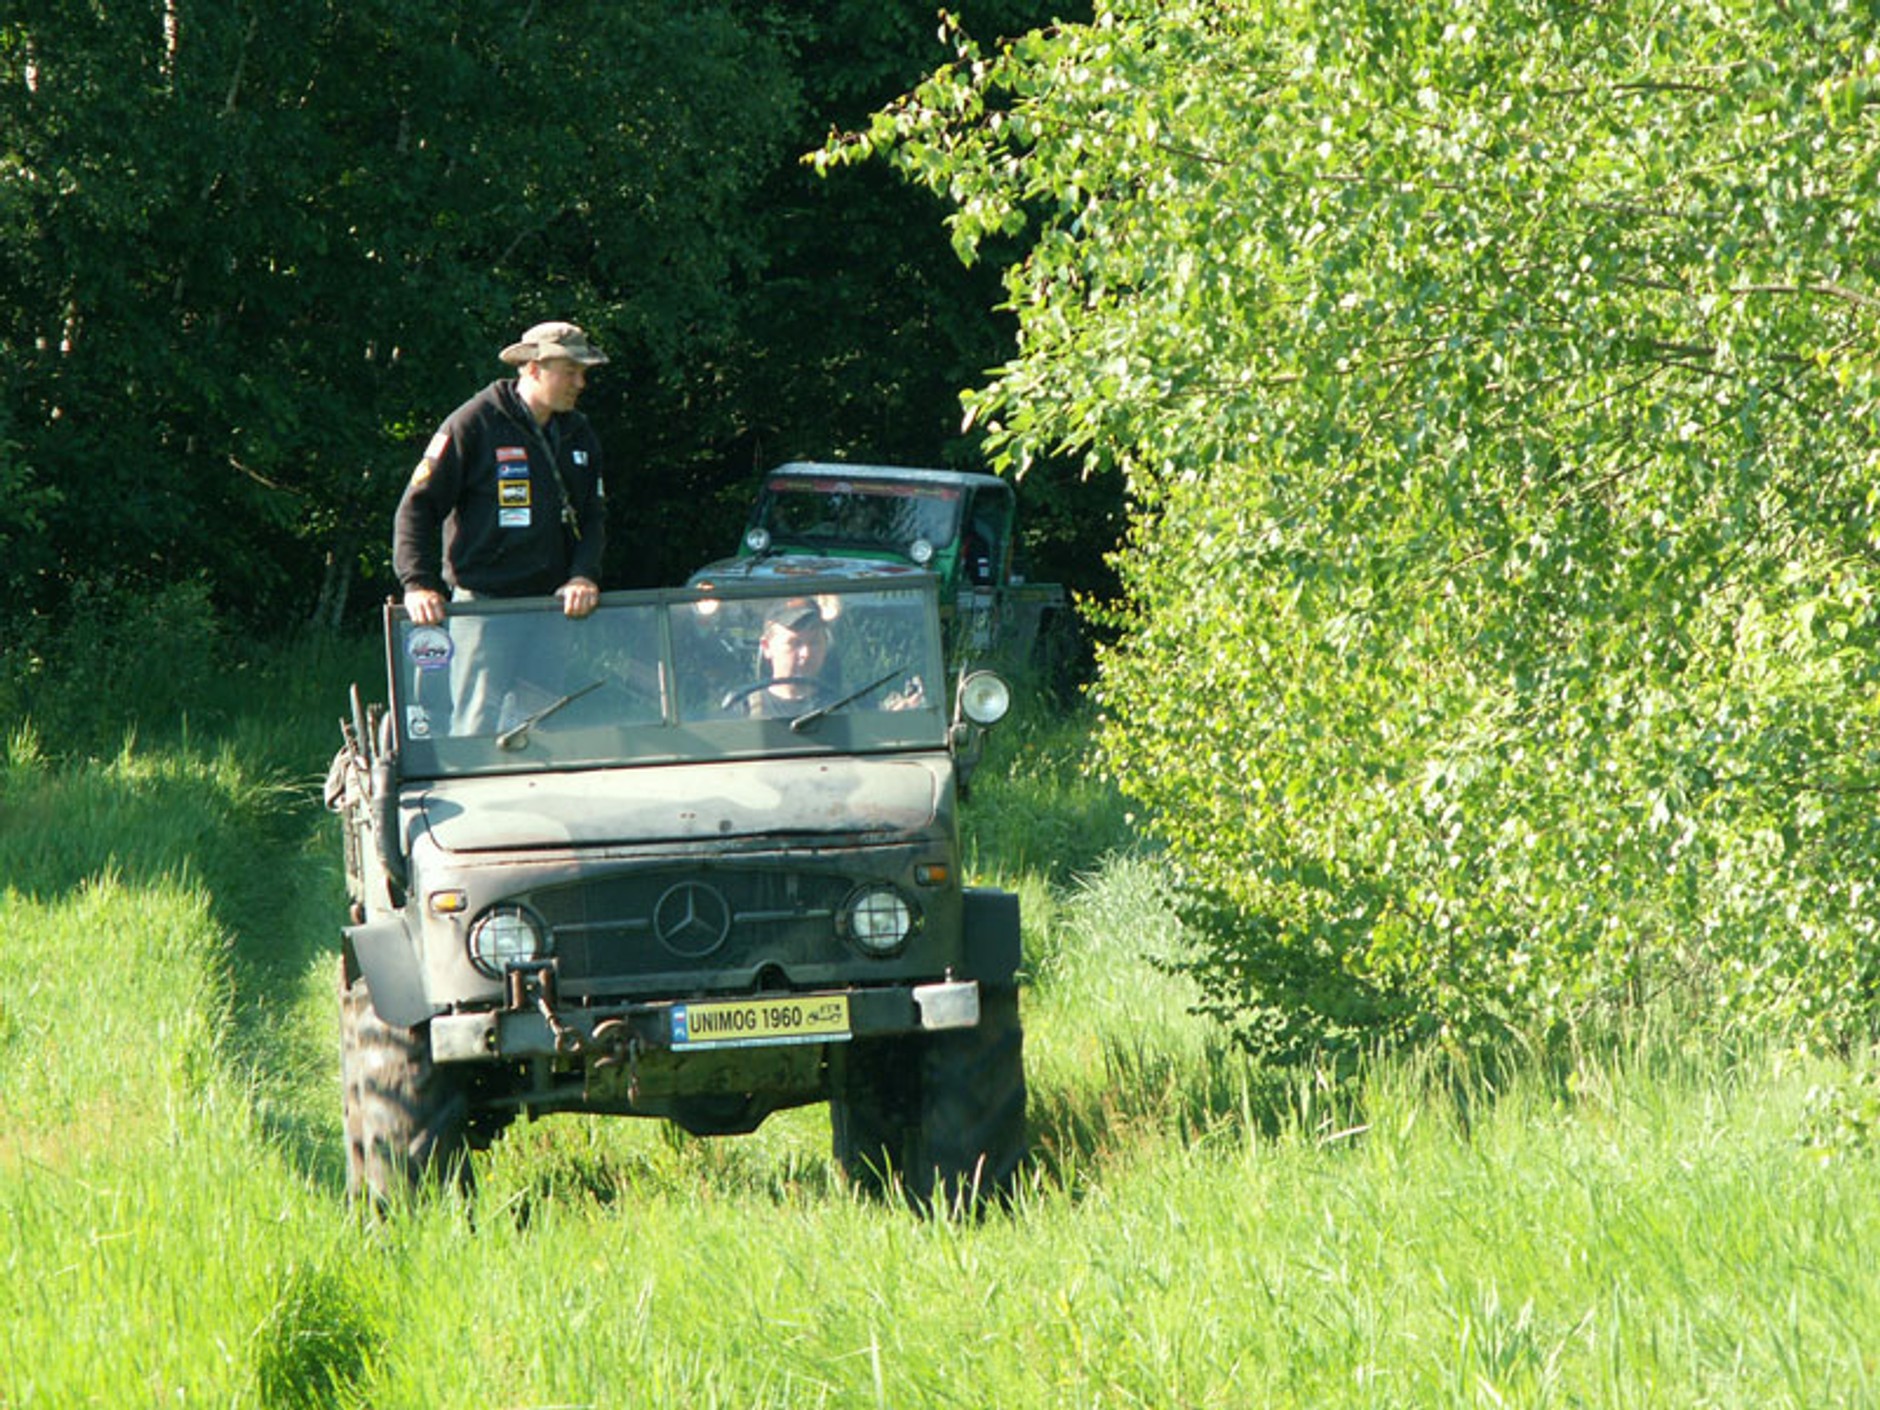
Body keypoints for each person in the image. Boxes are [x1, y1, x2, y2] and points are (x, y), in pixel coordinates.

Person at [392, 320, 610, 732]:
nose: (580, 382)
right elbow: (416, 507)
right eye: (571, 371)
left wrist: (584, 575)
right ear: (532, 368)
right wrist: (418, 583)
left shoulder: (579, 432)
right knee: (476, 725)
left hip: (553, 609)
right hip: (485, 606)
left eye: (584, 373)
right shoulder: (474, 422)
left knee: (543, 727)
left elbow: (594, 517)